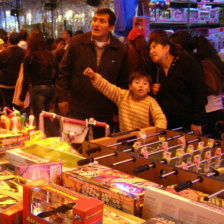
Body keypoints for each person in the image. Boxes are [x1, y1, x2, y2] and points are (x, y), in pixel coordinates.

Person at [55, 8, 129, 138]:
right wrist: (62, 98)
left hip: (104, 109)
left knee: (100, 148)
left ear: (111, 27)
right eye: (94, 20)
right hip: (77, 106)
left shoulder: (119, 49)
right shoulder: (77, 42)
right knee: (73, 145)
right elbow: (64, 71)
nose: (96, 24)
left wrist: (119, 109)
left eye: (102, 21)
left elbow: (122, 82)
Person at [148, 30, 207, 135]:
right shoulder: (157, 69)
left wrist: (197, 121)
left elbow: (199, 92)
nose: (151, 51)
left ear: (166, 48)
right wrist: (154, 90)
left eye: (155, 47)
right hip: (168, 125)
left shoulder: (186, 62)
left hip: (188, 124)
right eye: (150, 48)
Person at [83, 67, 167, 131]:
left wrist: (157, 131)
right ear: (130, 86)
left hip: (144, 139)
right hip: (124, 138)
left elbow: (160, 117)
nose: (141, 85)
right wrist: (94, 76)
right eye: (137, 82)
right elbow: (107, 87)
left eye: (145, 83)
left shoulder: (151, 102)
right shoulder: (123, 96)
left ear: (149, 89)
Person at [20, 31, 58, 135]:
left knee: (41, 118)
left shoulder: (29, 58)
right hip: (50, 88)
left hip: (37, 89)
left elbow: (26, 79)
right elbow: (57, 71)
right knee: (46, 116)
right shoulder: (50, 55)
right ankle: (47, 138)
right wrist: (52, 83)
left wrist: (22, 97)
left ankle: (56, 137)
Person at [193, 36, 224, 139]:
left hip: (209, 109)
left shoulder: (204, 64)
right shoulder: (215, 61)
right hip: (218, 106)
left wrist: (197, 90)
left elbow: (212, 87)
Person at [0, 32, 25, 108]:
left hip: (5, 83)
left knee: (7, 106)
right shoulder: (23, 52)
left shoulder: (3, 53)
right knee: (17, 106)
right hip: (18, 83)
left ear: (8, 40)